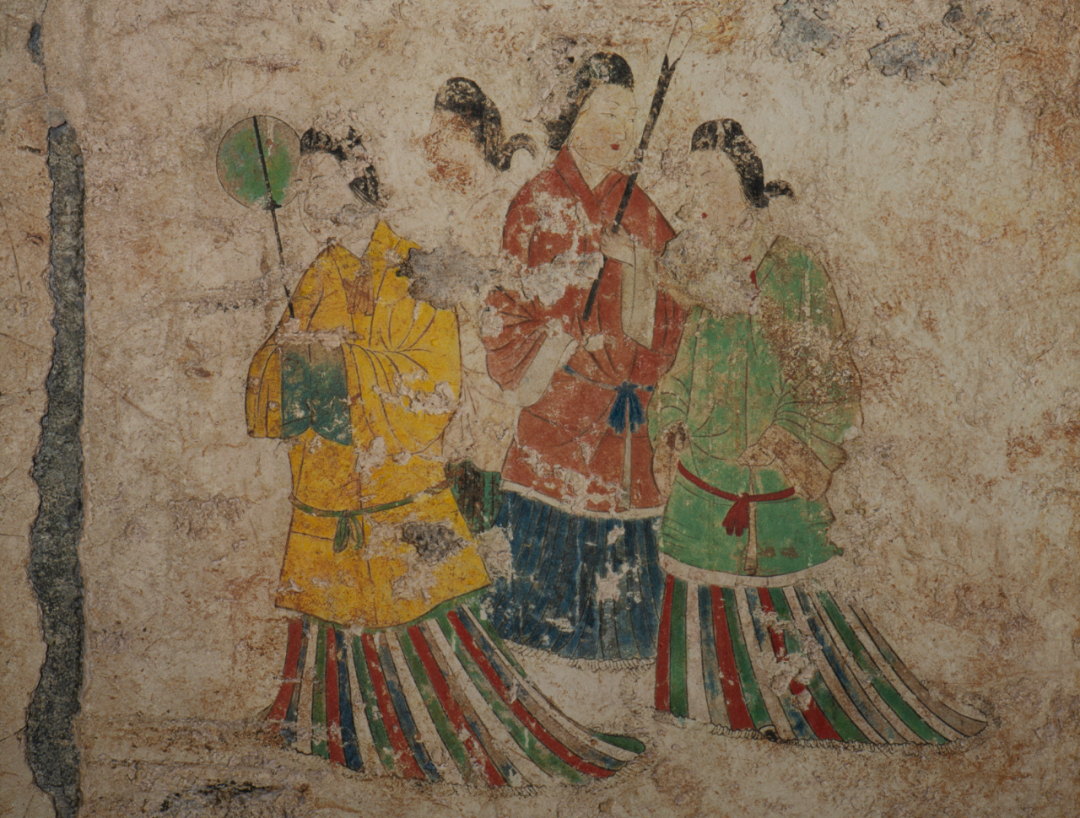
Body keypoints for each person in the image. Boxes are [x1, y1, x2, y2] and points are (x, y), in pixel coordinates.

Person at [245, 123, 644, 784]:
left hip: (396, 489)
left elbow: (434, 386)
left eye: (319, 179)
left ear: (356, 177)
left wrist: (339, 364)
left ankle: (434, 745)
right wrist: (296, 363)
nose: (307, 196)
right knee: (329, 635)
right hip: (330, 489)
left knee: (432, 646)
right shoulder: (318, 274)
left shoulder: (414, 269)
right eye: (303, 183)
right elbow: (270, 373)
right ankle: (333, 736)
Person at [648, 118, 986, 745]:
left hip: (768, 475)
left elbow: (829, 377)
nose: (701, 193)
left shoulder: (792, 268)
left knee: (788, 609)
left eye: (714, 177)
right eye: (693, 180)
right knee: (703, 625)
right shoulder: (698, 270)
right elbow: (681, 369)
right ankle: (714, 715)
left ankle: (801, 715)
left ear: (746, 181)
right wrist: (670, 424)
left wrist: (785, 441)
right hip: (703, 476)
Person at [483, 53, 686, 663]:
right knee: (534, 632)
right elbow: (503, 311)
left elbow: (674, 318)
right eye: (601, 112)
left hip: (625, 431)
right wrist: (564, 334)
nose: (616, 128)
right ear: (571, 117)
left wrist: (635, 263)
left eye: (625, 115)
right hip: (556, 417)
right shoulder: (537, 200)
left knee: (624, 637)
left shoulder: (641, 208)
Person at [412, 77, 538, 536]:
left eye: (440, 136)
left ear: (470, 137)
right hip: (459, 393)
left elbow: (522, 295)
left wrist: (459, 280)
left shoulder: (507, 203)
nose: (431, 150)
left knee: (491, 524)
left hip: (499, 393)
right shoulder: (456, 209)